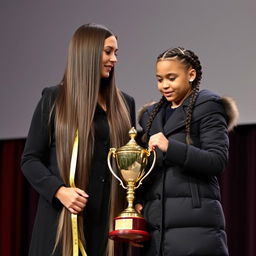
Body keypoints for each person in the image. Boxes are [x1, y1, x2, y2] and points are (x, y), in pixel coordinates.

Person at [21, 23, 136, 256]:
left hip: (106, 227)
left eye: (116, 53)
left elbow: (130, 167)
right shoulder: (54, 99)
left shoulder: (125, 104)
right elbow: (30, 160)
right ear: (87, 52)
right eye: (108, 52)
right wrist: (59, 191)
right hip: (62, 225)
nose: (114, 59)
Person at [135, 47, 239, 255]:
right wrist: (138, 201)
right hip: (156, 230)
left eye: (171, 78)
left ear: (191, 74)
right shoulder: (150, 117)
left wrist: (170, 147)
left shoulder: (208, 107)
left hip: (196, 229)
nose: (164, 85)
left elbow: (216, 161)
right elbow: (144, 171)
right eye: (159, 79)